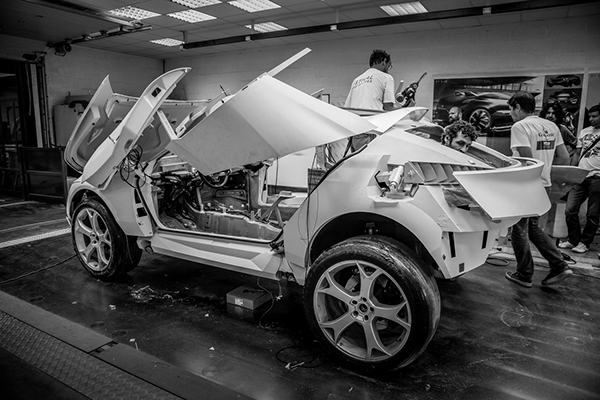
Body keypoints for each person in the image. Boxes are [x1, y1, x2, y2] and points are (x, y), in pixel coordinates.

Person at [505, 91, 573, 287]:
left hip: (527, 184)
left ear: (518, 107)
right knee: (533, 227)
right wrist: (546, 169)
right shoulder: (551, 125)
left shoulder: (520, 126)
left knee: (518, 229)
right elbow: (564, 157)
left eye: (511, 110)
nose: (511, 114)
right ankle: (559, 265)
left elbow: (527, 161)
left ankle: (524, 274)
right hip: (545, 185)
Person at [558, 104, 600, 254]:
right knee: (570, 210)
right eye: (590, 116)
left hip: (597, 177)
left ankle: (585, 242)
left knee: (593, 214)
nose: (591, 119)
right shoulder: (584, 132)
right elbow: (577, 153)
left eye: (595, 116)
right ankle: (573, 239)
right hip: (581, 176)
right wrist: (571, 172)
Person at [344, 49, 400, 152]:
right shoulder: (386, 78)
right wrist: (404, 110)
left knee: (358, 161)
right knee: (376, 161)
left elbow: (347, 108)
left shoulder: (357, 80)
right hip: (371, 132)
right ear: (384, 61)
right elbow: (388, 107)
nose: (388, 69)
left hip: (356, 134)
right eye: (389, 65)